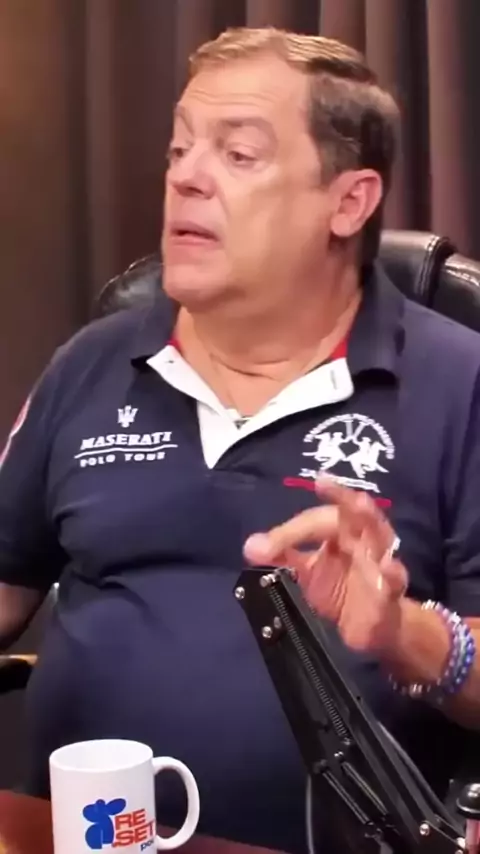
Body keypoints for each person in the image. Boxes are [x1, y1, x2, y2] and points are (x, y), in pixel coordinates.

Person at [0, 26, 479, 854]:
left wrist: (404, 632)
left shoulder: (459, 383)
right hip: (72, 838)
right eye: (180, 149)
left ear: (349, 202)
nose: (186, 176)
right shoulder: (93, 363)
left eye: (239, 154)